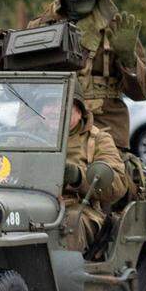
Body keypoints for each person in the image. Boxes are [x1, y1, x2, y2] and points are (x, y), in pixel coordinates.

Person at [28, 0, 146, 150]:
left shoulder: (116, 28)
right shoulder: (40, 28)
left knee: (104, 177)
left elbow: (142, 93)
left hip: (105, 134)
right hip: (49, 130)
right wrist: (26, 133)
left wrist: (129, 59)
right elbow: (26, 89)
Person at [60, 83, 128, 253]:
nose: (55, 110)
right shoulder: (29, 136)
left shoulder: (98, 140)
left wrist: (78, 177)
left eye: (65, 104)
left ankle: (67, 278)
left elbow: (118, 184)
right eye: (48, 104)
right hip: (31, 204)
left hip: (80, 207)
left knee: (69, 224)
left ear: (79, 109)